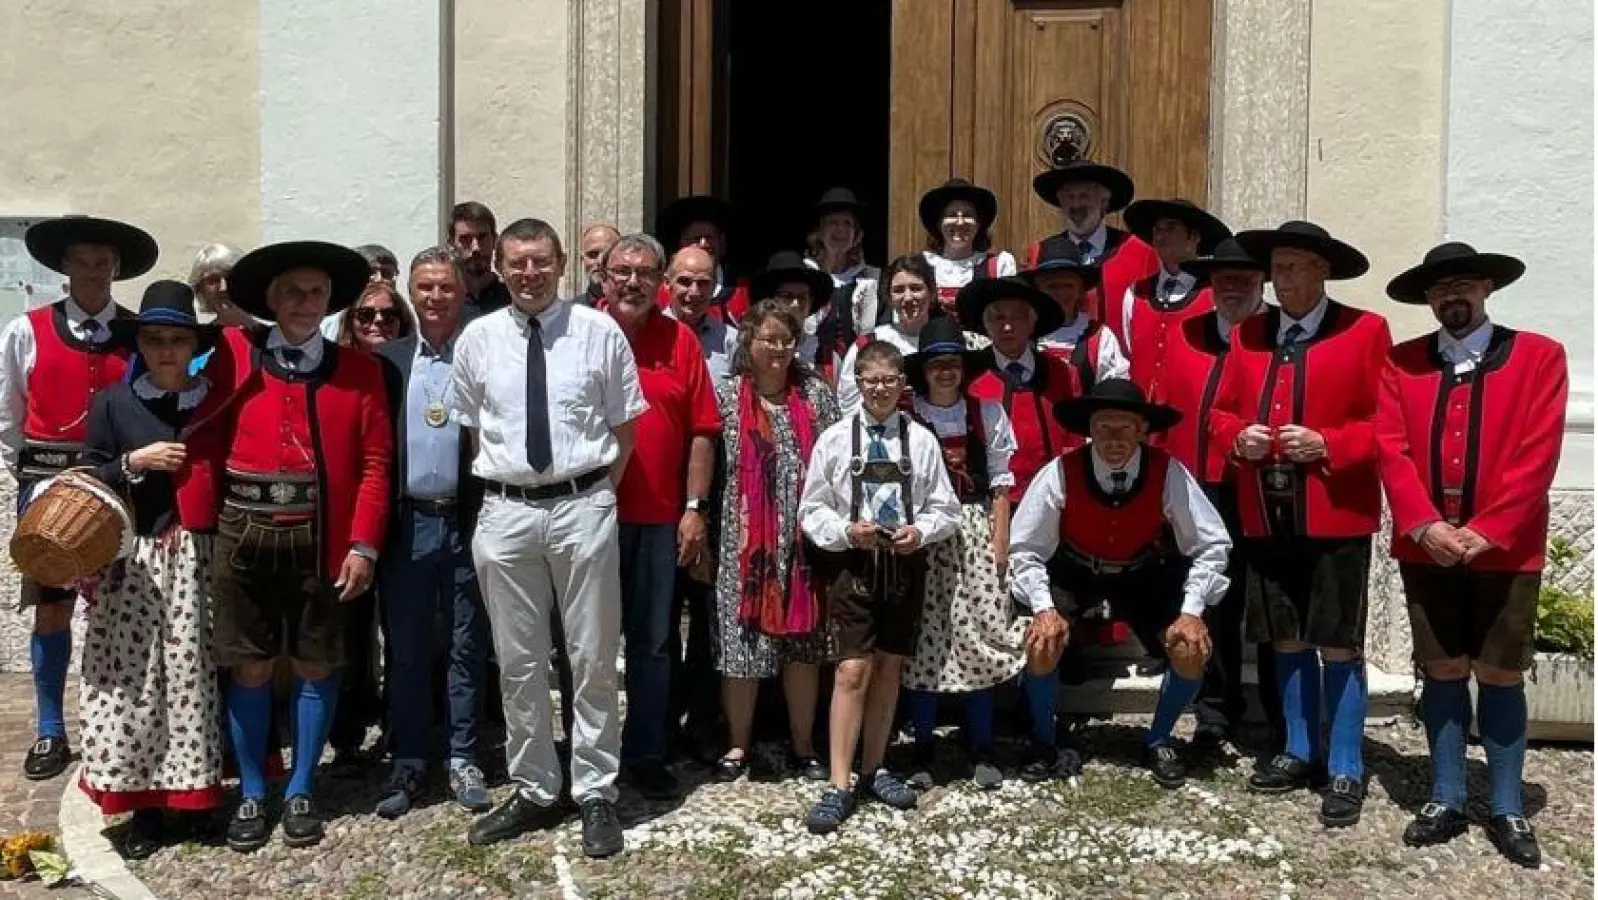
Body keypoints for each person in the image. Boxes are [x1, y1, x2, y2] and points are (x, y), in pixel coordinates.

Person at [452, 218, 644, 859]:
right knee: (518, 661)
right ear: (501, 269)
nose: (529, 273)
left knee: (592, 656)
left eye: (541, 261)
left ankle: (595, 790)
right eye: (517, 263)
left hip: (582, 506)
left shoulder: (598, 332)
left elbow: (624, 430)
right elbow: (476, 433)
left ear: (562, 264)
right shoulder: (478, 339)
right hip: (506, 513)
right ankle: (536, 787)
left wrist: (593, 493)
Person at [1377, 242, 1567, 867]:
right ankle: (1447, 796)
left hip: (1506, 548)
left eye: (1462, 284)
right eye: (1439, 289)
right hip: (1427, 545)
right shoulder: (1402, 362)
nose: (1450, 297)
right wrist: (1423, 523)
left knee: (1501, 671)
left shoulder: (1539, 355)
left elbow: (1539, 450)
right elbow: (1391, 447)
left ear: (1486, 288)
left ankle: (1508, 804)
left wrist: (1490, 528)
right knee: (1443, 667)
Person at [211, 240, 392, 852]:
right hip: (243, 530)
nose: (305, 303)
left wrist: (363, 544)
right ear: (271, 299)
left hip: (322, 534)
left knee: (317, 661)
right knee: (250, 663)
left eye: (317, 293)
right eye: (293, 292)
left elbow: (375, 465)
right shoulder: (234, 356)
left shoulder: (360, 372)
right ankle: (253, 789)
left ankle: (301, 787)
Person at [1209, 221, 1391, 828]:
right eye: (1276, 269)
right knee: (1284, 634)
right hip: (1265, 513)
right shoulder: (1248, 334)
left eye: (1291, 268)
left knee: (1336, 638)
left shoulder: (1365, 330)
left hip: (1336, 511)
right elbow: (1220, 413)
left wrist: (1328, 442)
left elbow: (1387, 423)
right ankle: (1298, 748)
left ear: (1322, 271)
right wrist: (1238, 437)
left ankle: (1345, 764)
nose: (1279, 280)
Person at [1008, 378, 1232, 788]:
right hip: (1075, 568)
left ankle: (1159, 738)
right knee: (1043, 640)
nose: (1114, 437)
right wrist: (1043, 607)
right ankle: (1042, 738)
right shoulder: (1061, 471)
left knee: (1189, 647)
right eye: (1104, 426)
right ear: (1089, 430)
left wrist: (1192, 610)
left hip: (1141, 571)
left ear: (1143, 430)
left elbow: (1212, 543)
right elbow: (1025, 547)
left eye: (1125, 426)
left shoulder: (1168, 471)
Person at [77, 281, 230, 859]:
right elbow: (88, 476)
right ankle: (142, 805)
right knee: (134, 681)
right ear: (140, 344)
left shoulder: (213, 402)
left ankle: (194, 797)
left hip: (197, 554)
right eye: (155, 339)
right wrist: (131, 462)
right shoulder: (115, 402)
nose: (166, 350)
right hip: (135, 558)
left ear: (194, 345)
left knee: (192, 676)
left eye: (177, 340)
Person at [1, 215, 154, 781]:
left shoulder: (137, 334)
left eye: (103, 262)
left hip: (120, 485)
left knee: (122, 607)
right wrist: (34, 478)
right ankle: (50, 728)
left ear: (115, 268)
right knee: (52, 608)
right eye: (83, 261)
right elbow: (8, 414)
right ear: (64, 267)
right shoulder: (26, 330)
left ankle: (123, 726)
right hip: (50, 489)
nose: (93, 271)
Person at [798, 340, 960, 834]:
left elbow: (946, 508)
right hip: (855, 566)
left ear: (903, 384)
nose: (881, 389)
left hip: (905, 566)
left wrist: (921, 532)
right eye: (872, 380)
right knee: (851, 670)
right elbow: (811, 509)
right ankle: (838, 782)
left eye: (890, 380)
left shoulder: (922, 440)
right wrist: (847, 532)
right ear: (858, 383)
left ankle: (875, 767)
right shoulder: (834, 439)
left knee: (889, 667)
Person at [370, 247, 493, 819]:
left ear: (462, 293)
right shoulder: (387, 361)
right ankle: (410, 758)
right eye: (425, 287)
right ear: (411, 294)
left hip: (468, 519)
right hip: (408, 521)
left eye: (446, 287)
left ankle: (464, 755)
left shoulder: (483, 353)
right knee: (408, 648)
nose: (436, 297)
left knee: (468, 645)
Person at [602, 233, 721, 798]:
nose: (633, 282)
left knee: (652, 641)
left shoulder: (680, 341)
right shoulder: (581, 334)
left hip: (657, 518)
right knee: (588, 644)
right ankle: (591, 753)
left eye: (645, 273)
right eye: (622, 272)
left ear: (660, 283)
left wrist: (694, 507)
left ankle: (645, 751)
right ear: (604, 278)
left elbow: (702, 430)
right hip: (588, 514)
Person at [710, 300, 836, 783]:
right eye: (770, 340)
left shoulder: (816, 395)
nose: (780, 349)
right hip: (741, 545)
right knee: (740, 647)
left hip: (805, 542)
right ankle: (737, 744)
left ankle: (803, 744)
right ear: (749, 341)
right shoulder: (727, 397)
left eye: (788, 340)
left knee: (804, 646)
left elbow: (836, 460)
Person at [900, 316, 1025, 790]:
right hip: (924, 534)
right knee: (924, 638)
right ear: (923, 371)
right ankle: (922, 745)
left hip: (972, 533)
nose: (945, 371)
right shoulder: (907, 417)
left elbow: (1000, 487)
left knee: (978, 635)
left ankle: (982, 743)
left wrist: (999, 547)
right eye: (936, 364)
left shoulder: (986, 414)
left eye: (953, 363)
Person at [1163, 238, 1279, 748]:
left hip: (1264, 486)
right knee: (1212, 600)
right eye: (1223, 278)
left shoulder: (1278, 333)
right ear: (1210, 283)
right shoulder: (1187, 333)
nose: (1233, 287)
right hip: (1200, 488)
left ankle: (1279, 713)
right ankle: (1215, 708)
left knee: (1271, 604)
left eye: (1244, 278)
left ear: (1261, 282)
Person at [1023, 159, 1159, 345]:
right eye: (1069, 197)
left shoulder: (1138, 252)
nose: (1076, 204)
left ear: (1104, 202)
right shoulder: (1040, 254)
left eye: (1084, 196)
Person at [959, 276, 1070, 503]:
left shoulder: (1061, 373)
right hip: (996, 499)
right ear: (986, 325)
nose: (1007, 327)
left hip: (1053, 497)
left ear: (1032, 322)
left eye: (1017, 317)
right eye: (998, 318)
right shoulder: (969, 376)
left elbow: (1073, 440)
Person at [1119, 198, 1230, 415]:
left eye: (1171, 228)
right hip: (1143, 418)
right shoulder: (1135, 294)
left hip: (1193, 415)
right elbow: (1127, 353)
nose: (1161, 236)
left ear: (1194, 236)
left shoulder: (1214, 296)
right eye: (1157, 230)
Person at [836, 254, 939, 415]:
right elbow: (848, 404)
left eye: (916, 288)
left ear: (932, 294)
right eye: (899, 290)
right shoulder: (869, 343)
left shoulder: (946, 342)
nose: (908, 297)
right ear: (889, 298)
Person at [1027, 240, 1129, 382]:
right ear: (1039, 290)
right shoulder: (1025, 335)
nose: (1061, 293)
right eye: (1052, 286)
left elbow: (1115, 388)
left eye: (1068, 285)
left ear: (1080, 291)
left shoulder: (1100, 338)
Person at [918, 179, 1016, 320]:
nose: (960, 222)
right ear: (939, 223)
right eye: (952, 215)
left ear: (979, 224)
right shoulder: (920, 267)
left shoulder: (998, 266)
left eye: (967, 215)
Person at [654, 194, 750, 323]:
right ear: (682, 243)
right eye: (696, 238)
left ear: (722, 242)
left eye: (710, 238)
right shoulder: (661, 294)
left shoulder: (743, 291)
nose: (704, 244)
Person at [804, 186, 883, 337]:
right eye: (833, 222)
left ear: (856, 235)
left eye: (848, 223)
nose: (841, 229)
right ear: (819, 231)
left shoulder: (871, 277)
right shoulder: (804, 275)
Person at [748, 250, 838, 379]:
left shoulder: (827, 356)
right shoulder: (750, 350)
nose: (795, 304)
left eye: (802, 297)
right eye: (787, 296)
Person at [662, 245, 737, 381]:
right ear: (667, 283)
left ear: (714, 287)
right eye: (685, 281)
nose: (694, 292)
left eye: (703, 283)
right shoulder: (647, 336)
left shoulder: (731, 341)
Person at [451, 201, 512, 317]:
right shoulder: (444, 302)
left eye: (482, 237)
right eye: (466, 239)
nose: (476, 248)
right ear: (452, 244)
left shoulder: (514, 299)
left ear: (495, 240)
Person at [337, 281, 415, 353]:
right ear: (350, 320)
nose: (379, 319)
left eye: (389, 314)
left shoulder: (415, 361)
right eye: (366, 314)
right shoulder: (334, 360)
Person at [189, 243, 253, 328]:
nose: (223, 288)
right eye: (213, 280)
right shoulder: (196, 335)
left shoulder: (268, 334)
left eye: (230, 278)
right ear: (200, 289)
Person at [575, 223, 620, 305]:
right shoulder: (568, 311)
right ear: (583, 260)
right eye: (593, 254)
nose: (600, 261)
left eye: (608, 254)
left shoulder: (640, 309)